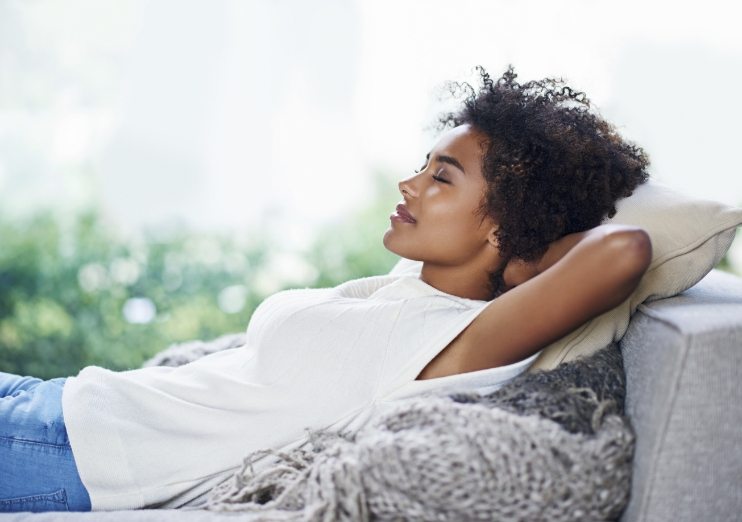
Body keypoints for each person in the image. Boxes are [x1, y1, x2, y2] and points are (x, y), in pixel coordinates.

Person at [0, 65, 652, 513]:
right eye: (422, 166)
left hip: (62, 455)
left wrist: (530, 251)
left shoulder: (457, 341)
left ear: (506, 224)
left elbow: (625, 251)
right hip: (59, 403)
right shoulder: (409, 289)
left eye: (442, 179)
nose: (409, 184)